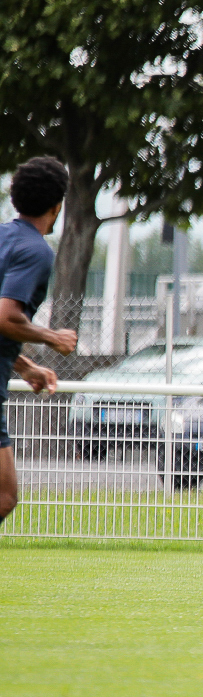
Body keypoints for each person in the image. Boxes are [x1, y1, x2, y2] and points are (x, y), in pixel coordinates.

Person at [0, 157, 78, 529]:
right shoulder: (37, 251)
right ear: (57, 206)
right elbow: (5, 316)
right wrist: (53, 336)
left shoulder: (3, 238)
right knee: (4, 496)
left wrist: (26, 366)